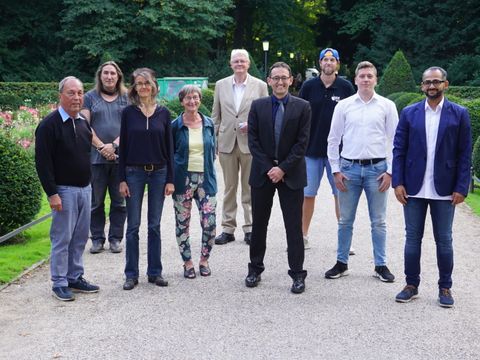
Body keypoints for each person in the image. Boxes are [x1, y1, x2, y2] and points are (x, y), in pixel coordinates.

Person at [392, 67, 471, 307]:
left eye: (436, 82)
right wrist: (398, 182)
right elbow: (398, 150)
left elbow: (464, 154)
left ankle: (445, 288)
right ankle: (411, 284)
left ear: (446, 84)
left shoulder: (459, 114)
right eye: (427, 82)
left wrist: (461, 186)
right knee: (412, 238)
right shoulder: (409, 113)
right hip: (414, 187)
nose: (431, 86)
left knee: (444, 240)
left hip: (445, 188)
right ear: (422, 85)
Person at [326, 61, 398, 283]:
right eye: (362, 76)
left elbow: (396, 141)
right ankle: (341, 262)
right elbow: (333, 140)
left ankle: (380, 264)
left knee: (378, 221)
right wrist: (336, 170)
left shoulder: (387, 106)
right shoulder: (344, 106)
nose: (366, 79)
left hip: (378, 170)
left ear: (376, 79)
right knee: (345, 220)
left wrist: (391, 172)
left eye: (370, 76)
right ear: (355, 79)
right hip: (349, 169)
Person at [245, 62, 311, 294]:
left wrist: (282, 168)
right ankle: (255, 269)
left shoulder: (303, 107)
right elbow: (252, 140)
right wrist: (269, 168)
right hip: (262, 174)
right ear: (269, 81)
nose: (280, 82)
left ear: (291, 80)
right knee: (259, 224)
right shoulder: (257, 106)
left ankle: (297, 274)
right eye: (276, 78)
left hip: (291, 174)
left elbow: (302, 143)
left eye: (284, 78)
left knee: (293, 227)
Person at [35, 76, 99, 301]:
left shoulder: (82, 121)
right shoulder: (48, 125)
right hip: (63, 191)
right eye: (71, 93)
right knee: (62, 238)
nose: (77, 97)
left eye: (80, 93)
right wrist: (52, 193)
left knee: (80, 237)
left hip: (84, 189)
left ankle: (74, 276)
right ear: (60, 95)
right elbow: (43, 163)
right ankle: (60, 282)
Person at [118, 68, 174, 290]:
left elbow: (170, 148)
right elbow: (122, 147)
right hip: (134, 172)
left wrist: (171, 178)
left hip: (159, 172)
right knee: (133, 226)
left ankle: (155, 272)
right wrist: (122, 178)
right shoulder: (128, 113)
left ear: (154, 86)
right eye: (139, 83)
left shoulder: (164, 113)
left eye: (147, 83)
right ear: (134, 87)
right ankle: (131, 274)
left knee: (155, 225)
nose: (143, 87)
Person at [299, 47, 355, 250]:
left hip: (339, 154)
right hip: (311, 151)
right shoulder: (308, 86)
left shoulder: (346, 87)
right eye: (325, 59)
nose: (328, 63)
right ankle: (302, 235)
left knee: (341, 195)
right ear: (320, 63)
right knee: (307, 194)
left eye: (332, 59)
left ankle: (344, 239)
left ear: (337, 64)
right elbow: (299, 115)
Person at [212, 49, 268, 246]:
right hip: (227, 143)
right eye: (236, 61)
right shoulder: (220, 85)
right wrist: (214, 142)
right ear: (231, 63)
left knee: (250, 188)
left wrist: (253, 126)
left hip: (250, 144)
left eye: (242, 61)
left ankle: (250, 228)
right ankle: (228, 229)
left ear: (248, 63)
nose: (239, 64)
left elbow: (266, 115)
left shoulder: (260, 86)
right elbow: (215, 116)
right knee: (229, 187)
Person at [81, 61, 128, 254]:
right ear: (100, 76)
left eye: (113, 73)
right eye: (106, 73)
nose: (109, 77)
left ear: (118, 76)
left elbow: (131, 126)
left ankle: (116, 238)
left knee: (119, 201)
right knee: (95, 202)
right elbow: (84, 125)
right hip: (96, 159)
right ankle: (97, 239)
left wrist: (114, 145)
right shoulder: (89, 98)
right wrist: (102, 147)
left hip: (121, 159)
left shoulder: (127, 98)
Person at [171, 85, 217, 279]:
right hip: (183, 179)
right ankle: (188, 262)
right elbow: (169, 153)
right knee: (183, 223)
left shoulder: (208, 123)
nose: (192, 101)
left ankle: (204, 260)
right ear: (182, 101)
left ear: (200, 100)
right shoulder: (175, 125)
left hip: (206, 179)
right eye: (188, 98)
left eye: (196, 98)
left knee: (209, 223)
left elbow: (213, 150)